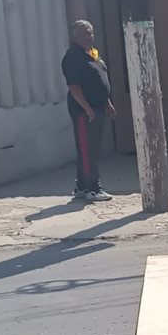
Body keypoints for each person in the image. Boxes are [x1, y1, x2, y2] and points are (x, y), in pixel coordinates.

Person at [61, 20, 115, 202]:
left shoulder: (92, 55)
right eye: (84, 33)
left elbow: (98, 81)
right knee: (87, 150)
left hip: (98, 107)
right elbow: (74, 87)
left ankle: (82, 186)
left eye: (90, 33)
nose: (89, 37)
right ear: (74, 36)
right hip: (83, 111)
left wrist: (107, 102)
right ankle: (93, 189)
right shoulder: (73, 57)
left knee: (91, 148)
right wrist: (87, 109)